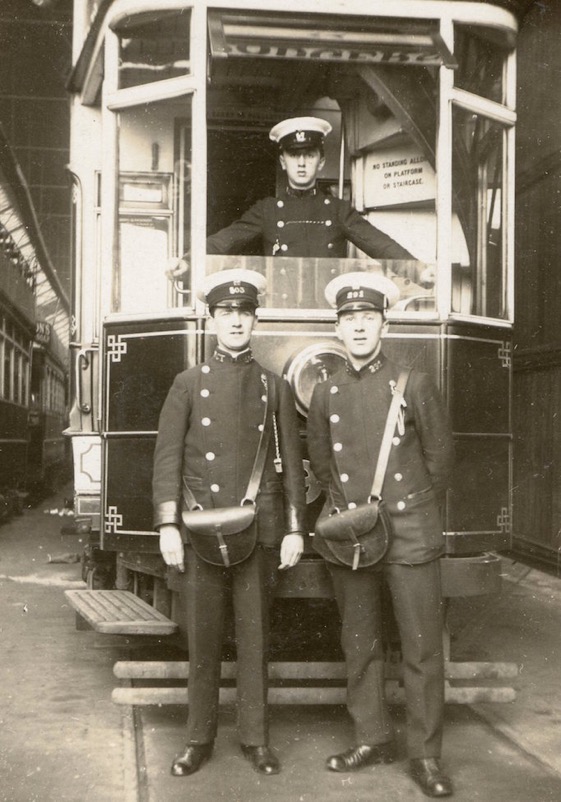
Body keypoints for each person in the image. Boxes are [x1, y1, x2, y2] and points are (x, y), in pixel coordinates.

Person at [152, 268, 306, 778]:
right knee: (204, 640)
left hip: (258, 531)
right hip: (200, 532)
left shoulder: (274, 386)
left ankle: (256, 738)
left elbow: (289, 464)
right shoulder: (188, 383)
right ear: (212, 319)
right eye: (226, 313)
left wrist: (293, 528)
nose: (235, 321)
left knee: (256, 639)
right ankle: (198, 738)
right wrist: (167, 526)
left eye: (244, 313)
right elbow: (167, 459)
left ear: (255, 320)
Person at [306, 272, 455, 798]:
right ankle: (371, 737)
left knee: (420, 649)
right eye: (350, 320)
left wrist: (404, 509)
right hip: (355, 538)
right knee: (360, 644)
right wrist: (357, 516)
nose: (359, 328)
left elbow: (439, 461)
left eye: (368, 318)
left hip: (410, 533)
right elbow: (321, 467)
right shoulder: (326, 392)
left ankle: (426, 756)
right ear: (338, 329)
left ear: (384, 325)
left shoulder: (413, 383)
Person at [168, 116, 415, 279]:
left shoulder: (339, 210)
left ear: (321, 162)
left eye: (309, 155)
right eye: (295, 156)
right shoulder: (267, 210)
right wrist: (188, 263)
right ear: (283, 161)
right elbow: (225, 241)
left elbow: (380, 244)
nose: (302, 163)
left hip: (328, 313)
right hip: (280, 312)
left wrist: (418, 270)